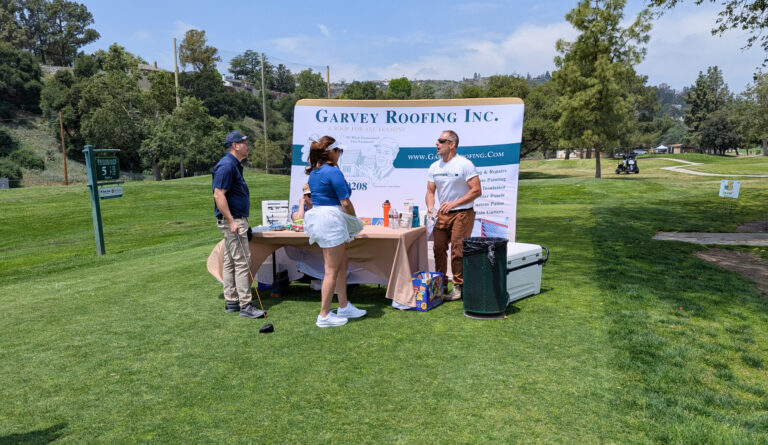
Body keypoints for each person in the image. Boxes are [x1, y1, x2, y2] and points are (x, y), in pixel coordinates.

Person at [302, 136, 366, 327]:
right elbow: (345, 202)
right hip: (331, 219)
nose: (340, 155)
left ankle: (344, 305)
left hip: (323, 219)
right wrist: (355, 222)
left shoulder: (314, 172)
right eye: (339, 151)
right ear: (331, 152)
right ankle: (324, 315)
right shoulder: (333, 172)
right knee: (331, 270)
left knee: (341, 262)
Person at [212, 130, 264, 319]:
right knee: (243, 261)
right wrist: (232, 221)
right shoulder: (226, 166)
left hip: (233, 220)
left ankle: (232, 301)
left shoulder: (234, 165)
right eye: (244, 142)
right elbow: (219, 194)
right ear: (235, 145)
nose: (247, 146)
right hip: (233, 221)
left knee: (230, 261)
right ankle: (246, 305)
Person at [425, 130, 482, 301]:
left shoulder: (465, 164)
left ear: (452, 144)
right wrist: (430, 207)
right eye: (437, 141)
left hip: (462, 213)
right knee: (438, 249)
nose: (437, 143)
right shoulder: (434, 166)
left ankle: (458, 287)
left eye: (441, 141)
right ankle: (440, 284)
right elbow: (429, 191)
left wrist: (455, 203)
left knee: (458, 250)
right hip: (442, 215)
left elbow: (476, 190)